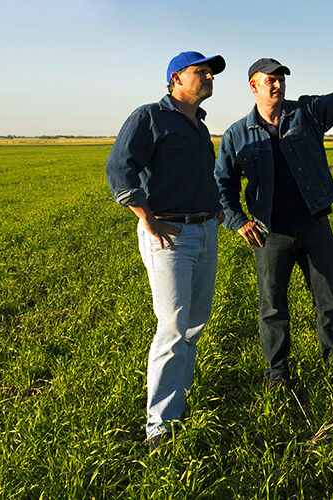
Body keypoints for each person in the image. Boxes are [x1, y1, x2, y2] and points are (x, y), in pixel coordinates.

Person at [214, 57, 333, 387]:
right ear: (253, 86)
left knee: (329, 300)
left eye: (281, 79)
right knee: (272, 307)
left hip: (314, 225)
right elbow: (222, 183)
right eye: (271, 80)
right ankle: (277, 373)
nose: (278, 85)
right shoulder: (237, 135)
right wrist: (238, 222)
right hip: (269, 234)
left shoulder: (305, 113)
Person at [105, 51, 226, 450]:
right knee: (173, 326)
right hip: (170, 235)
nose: (209, 77)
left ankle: (178, 401)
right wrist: (147, 217)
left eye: (211, 73)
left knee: (194, 323)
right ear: (176, 78)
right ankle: (160, 425)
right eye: (201, 72)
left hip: (204, 231)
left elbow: (201, 175)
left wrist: (215, 209)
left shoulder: (199, 125)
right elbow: (119, 167)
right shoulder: (150, 117)